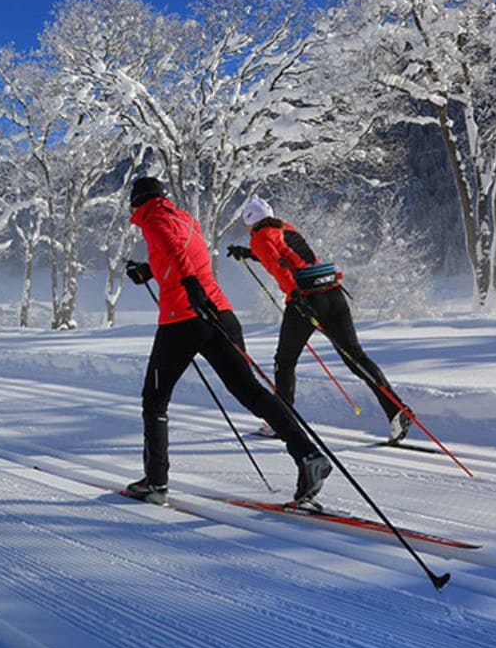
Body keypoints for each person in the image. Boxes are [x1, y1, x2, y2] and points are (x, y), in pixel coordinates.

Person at [123, 176, 331, 506]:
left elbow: (176, 252)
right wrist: (150, 271)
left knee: (155, 398)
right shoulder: (185, 219)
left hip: (184, 317)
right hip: (220, 312)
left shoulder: (153, 217)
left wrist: (190, 285)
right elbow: (183, 253)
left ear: (137, 201)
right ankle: (308, 456)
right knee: (250, 390)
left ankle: (155, 482)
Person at [227, 196, 412, 444]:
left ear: (251, 220)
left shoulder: (259, 237)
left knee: (285, 361)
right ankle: (396, 410)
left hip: (306, 299)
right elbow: (289, 257)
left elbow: (280, 268)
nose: (245, 228)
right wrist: (250, 254)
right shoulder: (285, 227)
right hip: (333, 293)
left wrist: (295, 296)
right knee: (355, 356)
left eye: (245, 223)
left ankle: (281, 421)